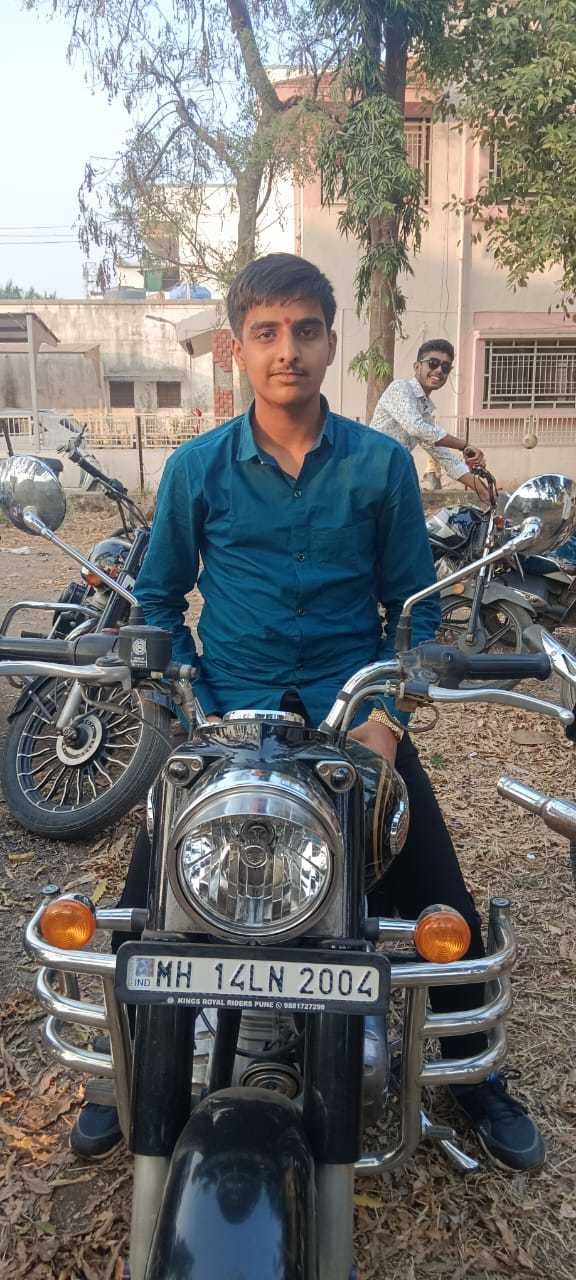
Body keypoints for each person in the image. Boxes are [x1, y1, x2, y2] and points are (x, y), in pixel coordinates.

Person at [70, 254, 543, 1171]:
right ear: (237, 348)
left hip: (350, 710)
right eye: (267, 333)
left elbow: (416, 611)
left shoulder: (380, 466)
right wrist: (191, 705)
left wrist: (387, 721)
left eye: (306, 331)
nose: (287, 350)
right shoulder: (197, 468)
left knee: (431, 879)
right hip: (226, 714)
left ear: (330, 342)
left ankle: (468, 1071)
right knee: (149, 887)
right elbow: (158, 603)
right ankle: (114, 1071)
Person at [371, 340, 492, 502]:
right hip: (369, 475)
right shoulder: (400, 388)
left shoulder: (424, 408)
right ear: (417, 366)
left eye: (445, 367)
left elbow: (444, 456)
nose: (439, 370)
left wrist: (481, 489)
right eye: (433, 363)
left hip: (390, 478)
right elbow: (417, 428)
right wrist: (464, 445)